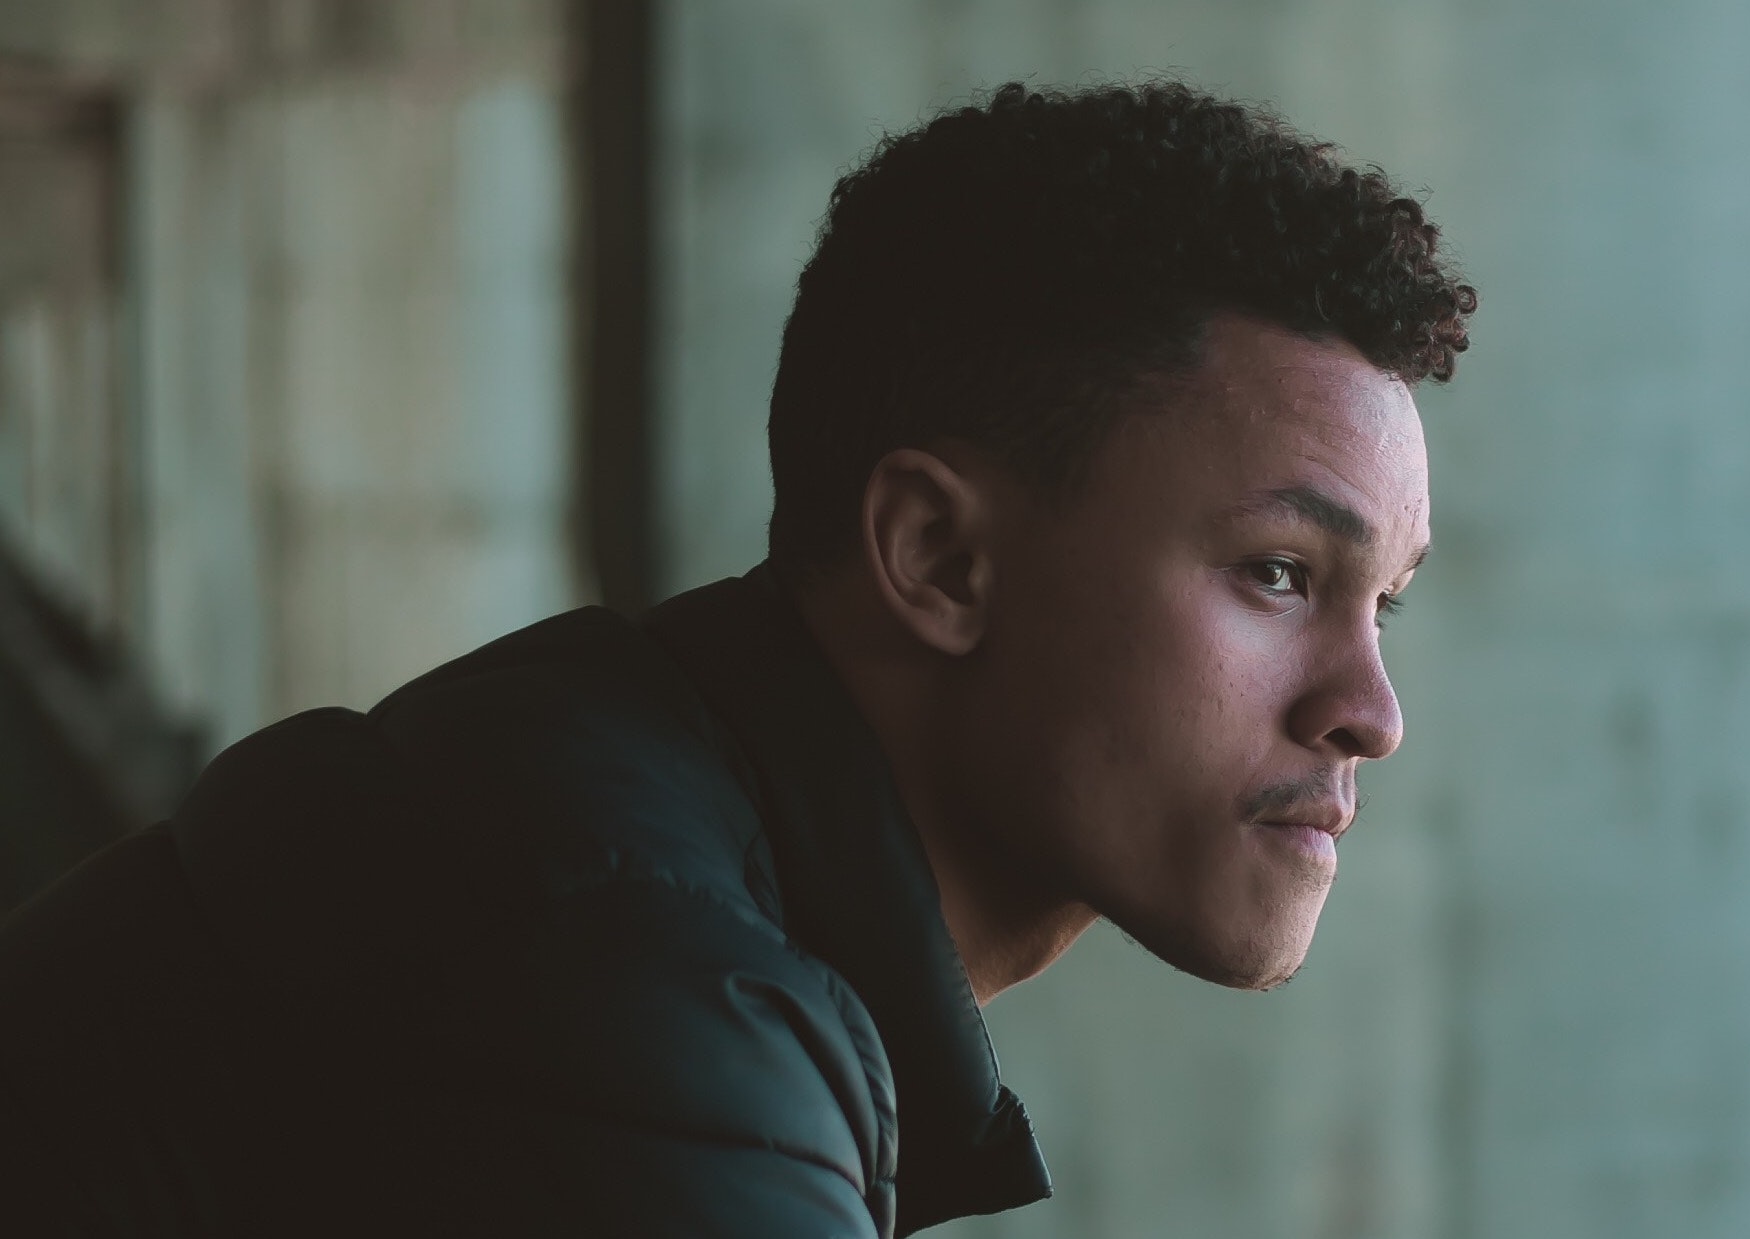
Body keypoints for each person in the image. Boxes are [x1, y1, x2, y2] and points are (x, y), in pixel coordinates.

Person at [0, 79, 1476, 1237]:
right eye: (1279, 576)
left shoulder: (642, 862)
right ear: (938, 558)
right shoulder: (624, 974)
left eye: (1384, 602)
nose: (1371, 714)